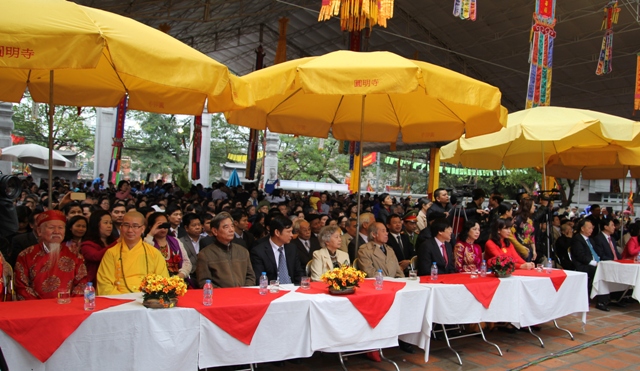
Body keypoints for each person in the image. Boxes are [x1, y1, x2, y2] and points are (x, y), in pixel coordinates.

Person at [14, 210, 88, 300]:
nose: (56, 231)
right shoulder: (26, 255)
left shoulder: (75, 255)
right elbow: (21, 286)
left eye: (60, 228)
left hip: (67, 306)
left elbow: (82, 282)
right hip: (36, 309)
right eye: (51, 227)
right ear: (39, 231)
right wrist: (40, 306)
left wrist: (68, 303)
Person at [97, 211, 169, 295]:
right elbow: (104, 284)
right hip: (119, 301)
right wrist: (122, 300)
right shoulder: (111, 253)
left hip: (147, 299)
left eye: (135, 226)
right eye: (126, 225)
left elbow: (163, 281)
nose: (130, 230)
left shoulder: (154, 253)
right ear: (121, 227)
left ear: (142, 229)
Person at [196, 212, 255, 288]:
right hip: (220, 297)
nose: (231, 230)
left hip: (243, 295)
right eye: (226, 227)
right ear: (215, 231)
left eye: (232, 226)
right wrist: (225, 293)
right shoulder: (205, 254)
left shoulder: (243, 251)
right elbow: (204, 282)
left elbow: (250, 276)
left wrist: (243, 290)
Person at [250, 215, 304, 285]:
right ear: (277, 232)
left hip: (292, 288)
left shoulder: (292, 248)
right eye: (288, 232)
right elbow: (260, 279)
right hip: (272, 289)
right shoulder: (259, 251)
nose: (292, 235)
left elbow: (299, 272)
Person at [570, 219, 610, 311]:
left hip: (595, 262)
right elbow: (580, 256)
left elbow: (595, 253)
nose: (591, 230)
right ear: (582, 228)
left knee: (608, 269)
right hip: (583, 265)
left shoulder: (591, 240)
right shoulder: (577, 239)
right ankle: (601, 301)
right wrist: (595, 263)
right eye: (589, 228)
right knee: (600, 272)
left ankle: (608, 297)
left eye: (592, 228)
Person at [144, 212, 192, 279]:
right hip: (156, 282)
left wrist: (179, 276)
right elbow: (144, 256)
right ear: (151, 227)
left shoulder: (176, 241)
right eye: (160, 226)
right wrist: (151, 234)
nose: (163, 229)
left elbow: (186, 262)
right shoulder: (147, 242)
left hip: (178, 280)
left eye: (165, 225)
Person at [81, 210, 118, 285]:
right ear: (96, 224)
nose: (109, 226)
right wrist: (117, 242)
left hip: (115, 280)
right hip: (95, 283)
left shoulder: (113, 241)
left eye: (111, 223)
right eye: (105, 223)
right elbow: (96, 256)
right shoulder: (87, 244)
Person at [179, 213, 202, 279]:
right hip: (190, 275)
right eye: (194, 225)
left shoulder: (206, 240)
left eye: (199, 224)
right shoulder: (180, 242)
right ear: (186, 228)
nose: (197, 227)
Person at [513, 198, 537, 262]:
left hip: (529, 248)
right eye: (533, 205)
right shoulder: (517, 219)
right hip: (519, 248)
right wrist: (519, 246)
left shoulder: (530, 220)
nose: (534, 207)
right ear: (528, 206)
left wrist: (534, 250)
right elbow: (512, 234)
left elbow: (532, 236)